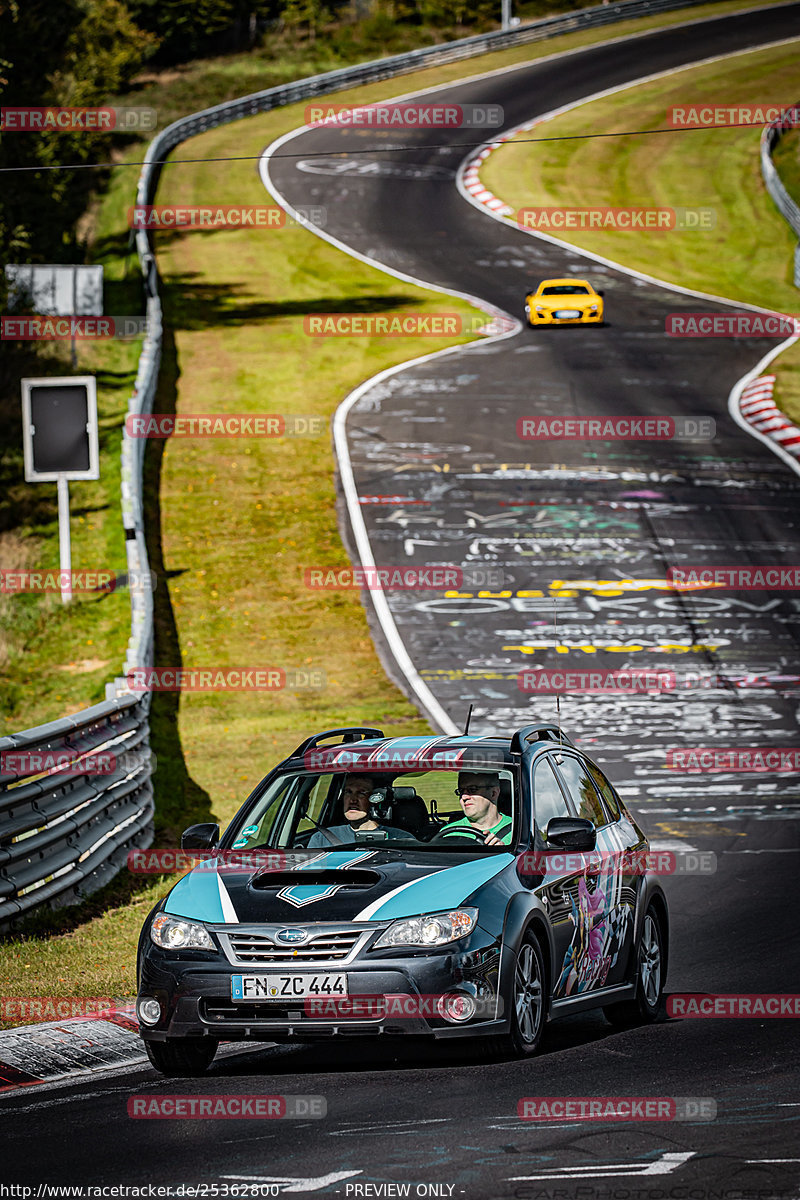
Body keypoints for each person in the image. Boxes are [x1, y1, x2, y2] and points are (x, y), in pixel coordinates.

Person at [307, 774, 412, 847]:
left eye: (361, 793)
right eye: (348, 792)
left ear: (375, 799)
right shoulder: (321, 839)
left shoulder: (401, 840)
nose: (353, 800)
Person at [445, 771, 513, 845]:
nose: (463, 797)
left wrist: (503, 853)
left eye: (472, 789)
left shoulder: (518, 832)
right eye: (461, 791)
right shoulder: (449, 833)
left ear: (494, 793)